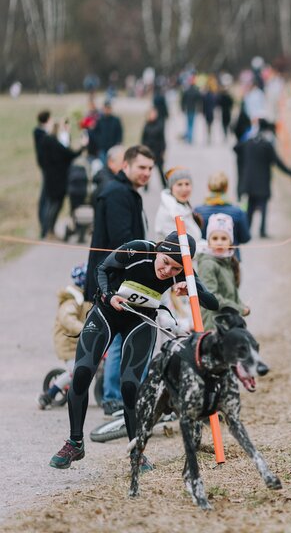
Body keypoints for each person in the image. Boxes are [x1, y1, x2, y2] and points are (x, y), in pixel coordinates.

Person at [49, 233, 219, 469]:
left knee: (130, 385)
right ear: (158, 250)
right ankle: (75, 442)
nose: (167, 270)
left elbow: (213, 303)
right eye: (165, 262)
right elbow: (101, 269)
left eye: (175, 268)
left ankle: (136, 453)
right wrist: (109, 296)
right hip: (106, 313)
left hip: (140, 322)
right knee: (82, 373)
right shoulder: (138, 250)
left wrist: (191, 289)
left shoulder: (183, 273)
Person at [85, 145, 154, 416]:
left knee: (129, 337)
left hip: (124, 280)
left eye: (150, 168)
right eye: (142, 167)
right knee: (116, 339)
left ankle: (128, 393)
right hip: (115, 281)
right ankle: (112, 397)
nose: (147, 173)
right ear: (125, 166)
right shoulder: (116, 194)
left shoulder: (127, 192)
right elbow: (121, 241)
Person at [38, 265, 90, 409]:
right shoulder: (72, 301)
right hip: (68, 343)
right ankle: (49, 394)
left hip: (77, 342)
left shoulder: (84, 298)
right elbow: (68, 319)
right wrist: (86, 330)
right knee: (75, 371)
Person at [236, 120, 291, 238]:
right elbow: (278, 163)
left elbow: (236, 148)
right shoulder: (267, 145)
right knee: (263, 207)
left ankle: (248, 230)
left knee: (250, 206)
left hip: (249, 181)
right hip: (263, 181)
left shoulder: (248, 143)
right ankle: (262, 231)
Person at [34, 111, 87, 239]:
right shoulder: (54, 143)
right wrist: (83, 146)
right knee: (54, 205)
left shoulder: (47, 141)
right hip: (58, 179)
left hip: (51, 177)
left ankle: (47, 230)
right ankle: (49, 230)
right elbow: (70, 154)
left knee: (51, 204)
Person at [198, 214, 249, 331]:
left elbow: (232, 294)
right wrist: (239, 309)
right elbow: (211, 296)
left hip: (227, 320)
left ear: (230, 241)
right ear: (208, 241)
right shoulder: (208, 264)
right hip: (213, 324)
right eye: (215, 238)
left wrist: (241, 305)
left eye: (224, 238)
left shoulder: (227, 260)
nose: (219, 243)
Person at [193, 171, 251, 259]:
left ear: (208, 187)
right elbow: (245, 238)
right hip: (232, 259)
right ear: (227, 188)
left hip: (206, 258)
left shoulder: (197, 211)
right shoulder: (238, 212)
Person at [153, 167, 202, 242]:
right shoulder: (170, 212)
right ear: (171, 188)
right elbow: (183, 245)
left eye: (187, 184)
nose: (184, 189)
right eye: (179, 184)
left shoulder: (183, 205)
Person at [141, 107, 167, 188]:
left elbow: (162, 139)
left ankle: (164, 184)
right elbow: (143, 139)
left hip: (158, 151)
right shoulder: (146, 125)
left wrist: (163, 150)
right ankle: (146, 185)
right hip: (148, 151)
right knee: (147, 170)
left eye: (154, 114)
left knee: (160, 169)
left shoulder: (160, 124)